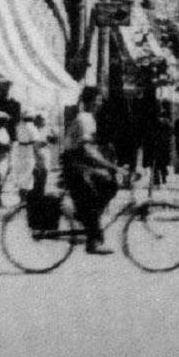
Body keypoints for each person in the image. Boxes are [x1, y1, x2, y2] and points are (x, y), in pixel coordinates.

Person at [61, 87, 122, 255]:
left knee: (109, 185)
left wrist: (108, 165)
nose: (100, 103)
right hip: (75, 166)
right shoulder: (84, 119)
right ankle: (93, 241)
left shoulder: (88, 118)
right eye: (97, 100)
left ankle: (87, 220)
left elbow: (91, 149)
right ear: (89, 101)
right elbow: (87, 151)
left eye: (101, 100)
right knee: (95, 195)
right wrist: (110, 166)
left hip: (79, 164)